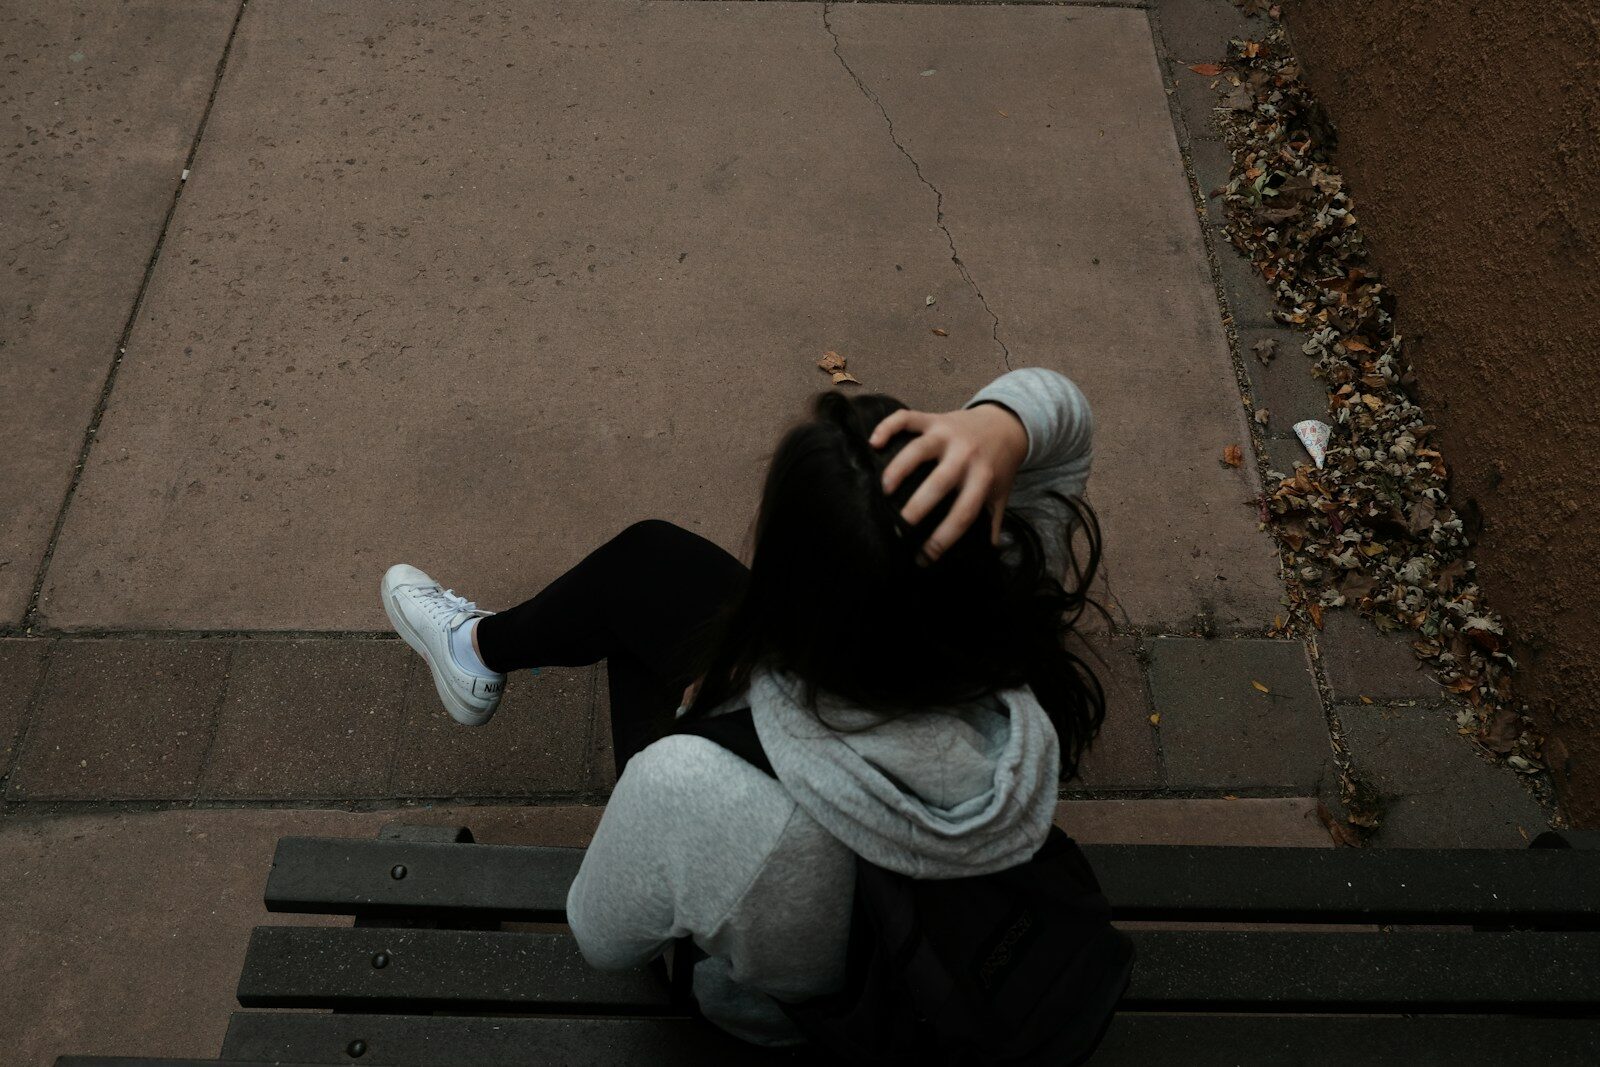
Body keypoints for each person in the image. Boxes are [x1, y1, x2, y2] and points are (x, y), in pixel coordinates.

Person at [381, 366, 1105, 1047]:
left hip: (799, 1024)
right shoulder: (1010, 629)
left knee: (640, 622)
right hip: (964, 929)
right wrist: (999, 423)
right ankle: (475, 649)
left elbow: (601, 937)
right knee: (649, 563)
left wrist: (715, 729)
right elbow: (1064, 416)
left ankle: (473, 652)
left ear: (791, 588)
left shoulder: (698, 785)